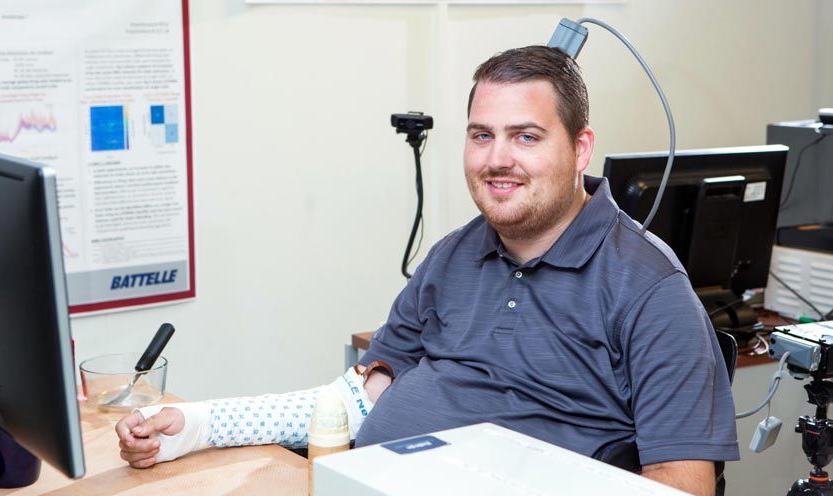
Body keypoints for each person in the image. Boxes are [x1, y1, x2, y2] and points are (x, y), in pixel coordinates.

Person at [115, 45, 738, 495]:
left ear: (579, 148)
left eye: (525, 136)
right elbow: (358, 401)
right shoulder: (453, 256)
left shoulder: (650, 289)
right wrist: (197, 425)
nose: (497, 160)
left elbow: (682, 487)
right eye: (480, 135)